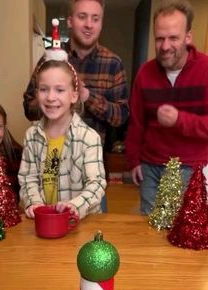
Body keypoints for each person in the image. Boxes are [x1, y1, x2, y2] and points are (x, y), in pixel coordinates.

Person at [125, 0, 208, 215]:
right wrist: (134, 161)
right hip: (150, 167)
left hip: (193, 166)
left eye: (173, 38)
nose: (165, 46)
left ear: (188, 37)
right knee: (149, 229)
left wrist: (180, 120)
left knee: (183, 231)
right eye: (160, 38)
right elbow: (136, 122)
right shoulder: (144, 74)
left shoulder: (206, 70)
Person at [23, 0, 129, 144]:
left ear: (101, 24)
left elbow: (121, 117)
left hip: (92, 157)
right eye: (82, 16)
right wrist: (51, 99)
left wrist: (87, 96)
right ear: (70, 21)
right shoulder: (50, 59)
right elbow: (28, 109)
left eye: (95, 19)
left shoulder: (113, 64)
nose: (89, 25)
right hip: (51, 153)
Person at [18, 59, 106, 220]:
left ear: (74, 95)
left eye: (59, 90)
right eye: (44, 89)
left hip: (80, 224)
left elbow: (96, 184)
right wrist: (34, 203)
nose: (51, 97)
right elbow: (27, 178)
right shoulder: (31, 136)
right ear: (37, 94)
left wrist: (74, 206)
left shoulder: (89, 138)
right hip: (44, 222)